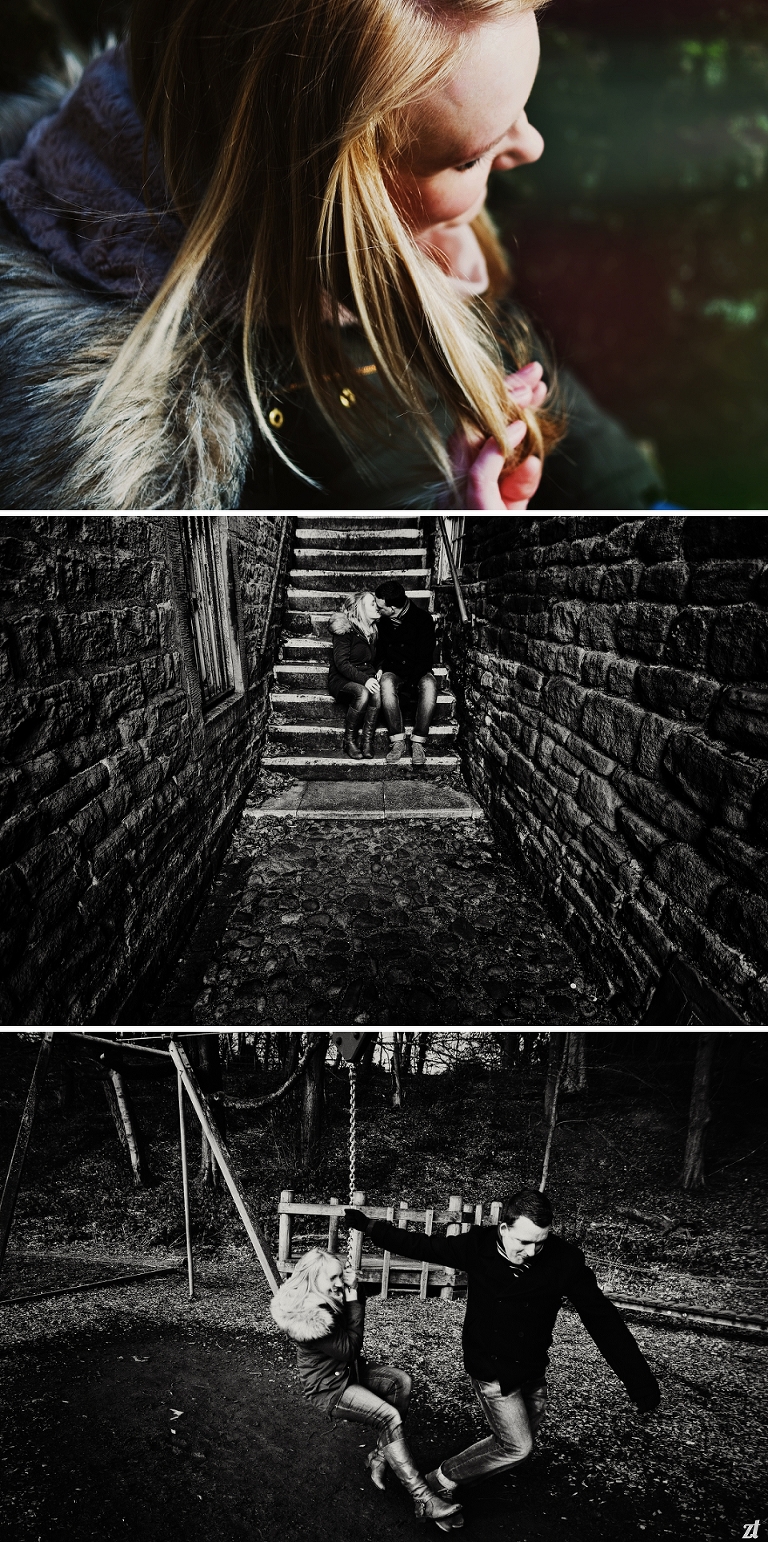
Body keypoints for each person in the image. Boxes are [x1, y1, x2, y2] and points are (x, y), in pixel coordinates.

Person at [0, 0, 664, 511]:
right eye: (470, 155)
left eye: (517, 113)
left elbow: (629, 496)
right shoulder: (129, 467)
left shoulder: (425, 231)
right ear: (328, 196)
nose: (530, 146)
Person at [345, 1188, 661, 1503]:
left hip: (533, 1369)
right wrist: (371, 1227)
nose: (533, 1251)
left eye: (540, 1242)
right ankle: (439, 1481)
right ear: (505, 1228)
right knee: (517, 1447)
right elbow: (423, 1245)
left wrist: (640, 1383)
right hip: (491, 1366)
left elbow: (604, 1321)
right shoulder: (477, 1246)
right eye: (524, 1242)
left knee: (515, 1441)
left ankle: (441, 1476)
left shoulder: (564, 1262)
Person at [269, 1247, 463, 1531]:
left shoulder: (323, 1294)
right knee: (389, 1417)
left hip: (348, 1373)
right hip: (329, 1387)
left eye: (339, 1276)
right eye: (332, 1277)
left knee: (401, 1382)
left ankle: (379, 1456)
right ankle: (424, 1499)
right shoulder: (308, 1316)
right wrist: (351, 1296)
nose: (338, 1282)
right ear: (312, 1278)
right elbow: (349, 1348)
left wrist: (352, 1288)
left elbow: (352, 1308)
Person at [374, 580, 438, 767]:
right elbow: (380, 652)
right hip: (393, 670)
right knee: (386, 682)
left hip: (417, 671)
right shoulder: (383, 622)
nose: (377, 610)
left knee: (430, 684)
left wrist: (410, 685)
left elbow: (425, 658)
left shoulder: (423, 620)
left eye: (380, 607)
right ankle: (397, 739)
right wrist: (379, 667)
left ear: (393, 608)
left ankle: (418, 740)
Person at [328, 591, 381, 760]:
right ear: (360, 609)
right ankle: (349, 741)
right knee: (363, 693)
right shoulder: (346, 629)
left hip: (365, 676)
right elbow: (341, 664)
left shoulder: (373, 630)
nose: (377, 605)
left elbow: (379, 658)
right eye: (372, 603)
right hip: (342, 679)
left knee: (378, 692)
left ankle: (367, 741)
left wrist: (379, 669)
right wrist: (365, 680)